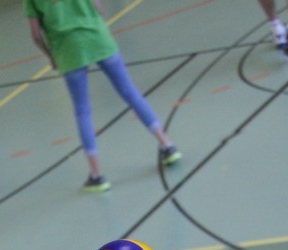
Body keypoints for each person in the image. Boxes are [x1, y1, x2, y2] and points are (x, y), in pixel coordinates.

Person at [24, 0, 181, 193]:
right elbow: (98, 7)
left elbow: (36, 35)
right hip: (98, 38)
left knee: (82, 111)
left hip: (68, 50)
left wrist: (50, 55)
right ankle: (167, 145)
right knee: (130, 93)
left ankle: (96, 175)